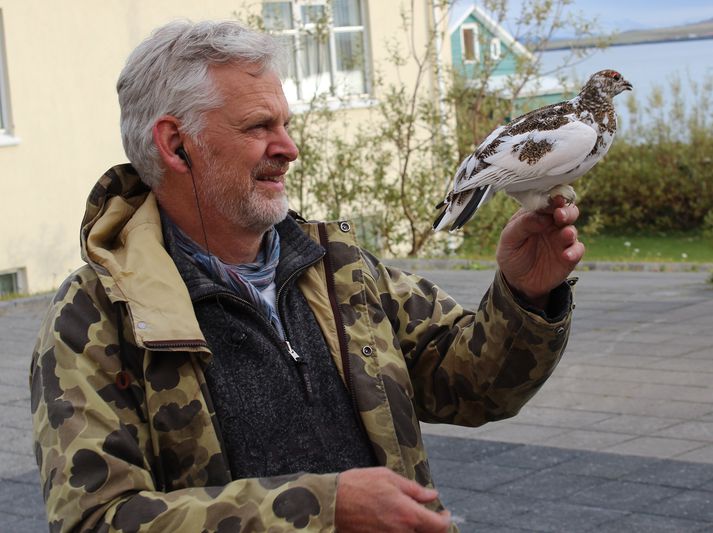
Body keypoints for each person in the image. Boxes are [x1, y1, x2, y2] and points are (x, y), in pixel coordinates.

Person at [30, 20, 583, 533]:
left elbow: (470, 385)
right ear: (176, 145)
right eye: (259, 127)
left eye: (286, 124)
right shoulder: (96, 315)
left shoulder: (338, 266)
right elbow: (97, 519)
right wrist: (324, 510)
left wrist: (526, 295)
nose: (290, 149)